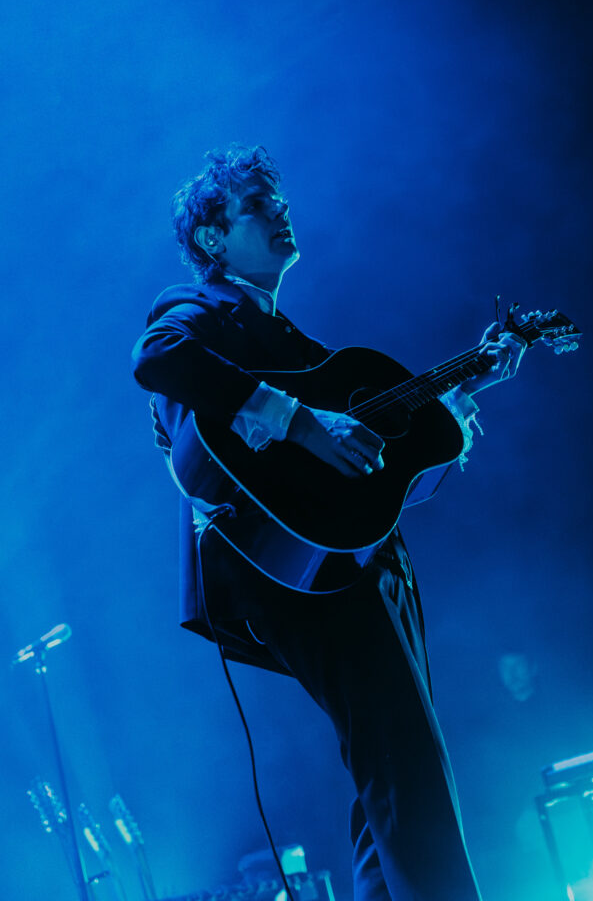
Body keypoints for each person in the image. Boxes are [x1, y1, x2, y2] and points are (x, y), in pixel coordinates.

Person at [132, 145, 525, 901]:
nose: (281, 213)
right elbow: (158, 358)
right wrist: (301, 422)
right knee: (402, 760)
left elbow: (371, 462)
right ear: (213, 238)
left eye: (279, 201)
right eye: (257, 205)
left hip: (351, 562)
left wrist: (461, 397)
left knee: (390, 764)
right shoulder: (197, 309)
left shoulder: (293, 343)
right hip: (292, 572)